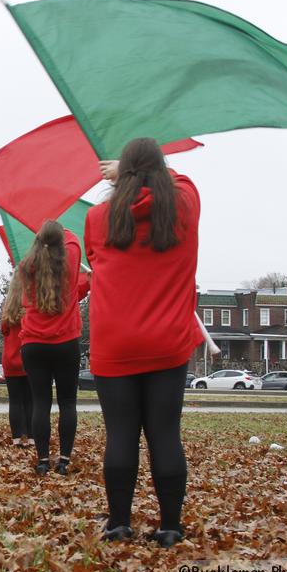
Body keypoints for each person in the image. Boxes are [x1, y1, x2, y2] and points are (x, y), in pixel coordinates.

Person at [85, 137, 202, 548]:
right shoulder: (184, 205)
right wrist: (137, 170)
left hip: (114, 342)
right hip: (168, 342)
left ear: (122, 174)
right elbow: (181, 179)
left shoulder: (98, 218)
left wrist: (123, 177)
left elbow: (96, 259)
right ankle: (170, 526)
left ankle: (119, 523)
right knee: (165, 433)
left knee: (120, 434)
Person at [18, 221, 84, 476]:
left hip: (33, 344)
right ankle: (64, 460)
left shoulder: (27, 266)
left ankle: (43, 460)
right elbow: (72, 239)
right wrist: (60, 229)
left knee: (40, 403)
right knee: (68, 402)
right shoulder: (70, 259)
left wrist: (40, 234)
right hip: (66, 343)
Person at [0, 269, 31, 447]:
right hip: (28, 359)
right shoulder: (30, 309)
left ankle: (17, 438)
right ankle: (32, 438)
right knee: (30, 401)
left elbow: (4, 330)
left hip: (10, 361)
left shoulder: (7, 311)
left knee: (15, 401)